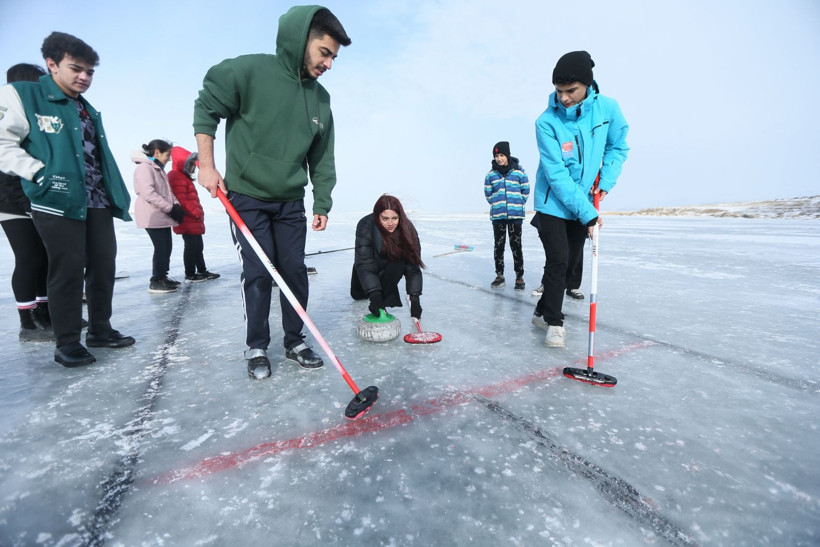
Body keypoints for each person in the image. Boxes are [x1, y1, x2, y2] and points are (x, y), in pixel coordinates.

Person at [193, 6, 351, 380]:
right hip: (246, 196)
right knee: (259, 271)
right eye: (324, 53)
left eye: (333, 57)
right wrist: (207, 165)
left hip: (290, 201)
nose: (329, 64)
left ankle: (295, 341)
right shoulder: (249, 71)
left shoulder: (321, 99)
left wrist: (323, 200)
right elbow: (207, 107)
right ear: (301, 40)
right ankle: (257, 346)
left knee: (294, 271)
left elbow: (322, 156)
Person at [0, 32, 135, 367]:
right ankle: (67, 343)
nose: (84, 77)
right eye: (76, 69)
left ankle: (100, 330)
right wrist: (37, 173)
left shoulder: (85, 107)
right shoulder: (24, 94)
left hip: (96, 199)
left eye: (90, 72)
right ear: (52, 64)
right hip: (56, 198)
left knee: (103, 266)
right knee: (67, 269)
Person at [531, 51, 629, 347]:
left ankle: (541, 311)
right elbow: (557, 176)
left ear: (588, 84)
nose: (563, 98)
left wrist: (606, 181)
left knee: (571, 262)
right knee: (558, 260)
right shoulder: (546, 122)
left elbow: (617, 147)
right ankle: (554, 322)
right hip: (552, 202)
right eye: (559, 91)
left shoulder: (608, 109)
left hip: (583, 201)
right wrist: (588, 213)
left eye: (571, 90)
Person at [0, 63, 52, 341]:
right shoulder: (7, 114)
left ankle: (45, 312)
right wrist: (26, 204)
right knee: (28, 257)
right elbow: (7, 169)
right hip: (11, 203)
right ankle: (28, 322)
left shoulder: (29, 116)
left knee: (43, 257)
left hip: (30, 200)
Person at [350, 195, 424, 320]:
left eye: (394, 218)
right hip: (366, 272)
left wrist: (415, 299)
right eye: (385, 219)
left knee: (400, 261)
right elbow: (364, 262)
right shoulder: (365, 225)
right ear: (377, 216)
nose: (390, 223)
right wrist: (374, 295)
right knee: (358, 295)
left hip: (389, 272)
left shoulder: (408, 228)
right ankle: (374, 294)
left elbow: (413, 266)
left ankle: (384, 295)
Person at [133, 139, 185, 293]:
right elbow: (148, 193)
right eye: (167, 155)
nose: (169, 159)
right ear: (157, 152)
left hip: (161, 215)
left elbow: (168, 192)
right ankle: (156, 280)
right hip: (152, 215)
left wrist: (176, 206)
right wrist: (170, 208)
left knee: (166, 247)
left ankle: (162, 276)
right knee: (161, 247)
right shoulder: (144, 168)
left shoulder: (158, 169)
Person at [167, 145, 219, 283]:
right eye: (191, 164)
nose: (193, 167)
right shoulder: (175, 176)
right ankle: (190, 274)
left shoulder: (183, 177)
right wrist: (196, 212)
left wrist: (198, 214)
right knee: (191, 248)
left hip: (193, 220)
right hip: (187, 219)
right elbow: (181, 200)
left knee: (198, 247)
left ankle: (202, 271)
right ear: (183, 164)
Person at [484, 141, 530, 291]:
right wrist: (497, 203)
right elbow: (488, 193)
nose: (499, 159)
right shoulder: (491, 175)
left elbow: (525, 191)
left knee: (516, 246)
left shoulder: (519, 172)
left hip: (515, 216)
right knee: (499, 246)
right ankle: (499, 275)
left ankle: (519, 276)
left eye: (502, 155)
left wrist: (518, 203)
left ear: (507, 155)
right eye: (496, 156)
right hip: (498, 216)